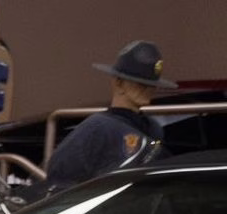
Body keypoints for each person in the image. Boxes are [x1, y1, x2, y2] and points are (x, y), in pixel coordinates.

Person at [44, 41, 178, 189]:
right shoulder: (97, 128)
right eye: (140, 84)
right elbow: (60, 176)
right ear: (118, 83)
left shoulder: (153, 128)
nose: (148, 90)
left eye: (151, 85)